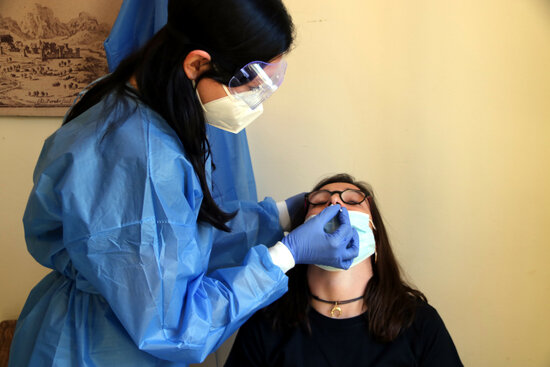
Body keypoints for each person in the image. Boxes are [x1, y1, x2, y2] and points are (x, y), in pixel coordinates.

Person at [8, 1, 361, 366]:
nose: (254, 104)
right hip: (92, 348)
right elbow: (174, 327)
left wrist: (284, 215)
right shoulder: (138, 158)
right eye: (248, 88)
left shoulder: (141, 104)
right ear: (196, 64)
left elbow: (177, 237)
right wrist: (287, 254)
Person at [225, 173, 464, 367]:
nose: (335, 203)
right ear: (301, 230)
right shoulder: (267, 322)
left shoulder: (418, 321)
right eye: (320, 201)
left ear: (373, 230)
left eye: (352, 200)